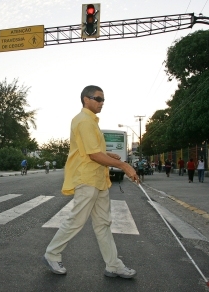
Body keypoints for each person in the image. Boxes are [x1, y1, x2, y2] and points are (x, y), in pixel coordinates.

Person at [42, 85, 139, 279]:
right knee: (77, 219)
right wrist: (125, 167)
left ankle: (113, 265)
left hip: (98, 180)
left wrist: (109, 154)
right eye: (98, 98)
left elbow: (93, 150)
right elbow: (94, 155)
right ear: (86, 99)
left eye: (103, 100)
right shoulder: (84, 121)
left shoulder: (92, 122)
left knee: (103, 223)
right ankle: (52, 254)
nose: (101, 103)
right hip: (87, 179)